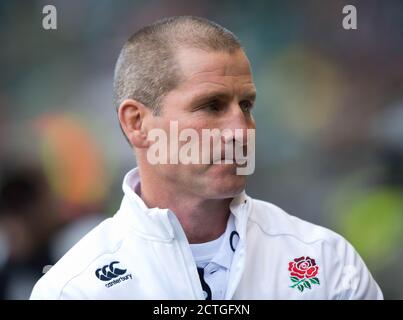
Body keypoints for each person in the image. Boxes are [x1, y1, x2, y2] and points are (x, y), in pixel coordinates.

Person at [30, 16, 383, 300]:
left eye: (246, 105)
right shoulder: (73, 289)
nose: (240, 130)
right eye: (211, 106)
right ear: (137, 123)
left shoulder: (329, 264)